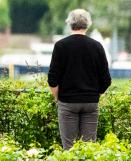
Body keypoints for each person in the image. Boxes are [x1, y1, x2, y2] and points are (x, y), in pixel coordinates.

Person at [46, 9, 112, 149]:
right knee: (88, 148)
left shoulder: (61, 46)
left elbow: (52, 79)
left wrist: (58, 97)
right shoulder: (97, 46)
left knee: (69, 148)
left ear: (69, 23)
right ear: (88, 24)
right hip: (90, 103)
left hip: (67, 102)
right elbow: (106, 80)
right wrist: (95, 94)